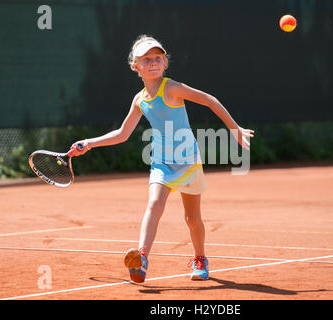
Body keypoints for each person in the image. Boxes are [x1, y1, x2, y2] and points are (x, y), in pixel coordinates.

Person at [69, 35, 254, 283]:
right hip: (162, 162)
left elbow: (210, 100)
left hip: (188, 162)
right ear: (136, 66)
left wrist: (235, 129)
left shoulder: (173, 88)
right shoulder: (139, 100)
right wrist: (90, 143)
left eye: (158, 58)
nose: (153, 63)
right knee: (154, 204)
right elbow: (123, 134)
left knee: (192, 218)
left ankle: (200, 259)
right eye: (147, 59)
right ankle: (142, 258)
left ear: (165, 63)